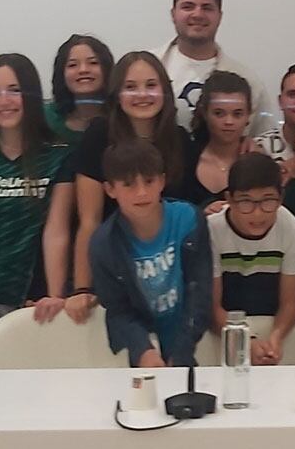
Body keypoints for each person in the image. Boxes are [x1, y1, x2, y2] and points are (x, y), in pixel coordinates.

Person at [0, 52, 76, 329]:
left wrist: (54, 296)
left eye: (14, 90)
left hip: (28, 304)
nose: (4, 101)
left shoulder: (58, 156)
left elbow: (56, 232)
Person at [71, 51, 198, 305]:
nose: (142, 95)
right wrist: (82, 288)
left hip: (170, 279)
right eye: (130, 87)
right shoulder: (98, 136)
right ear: (117, 95)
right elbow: (89, 221)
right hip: (112, 271)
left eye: (151, 85)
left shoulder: (180, 139)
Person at [87, 139, 212, 368]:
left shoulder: (189, 220)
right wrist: (142, 349)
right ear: (110, 189)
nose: (142, 192)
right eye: (128, 184)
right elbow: (118, 309)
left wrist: (182, 348)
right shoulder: (103, 244)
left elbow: (201, 290)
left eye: (149, 181)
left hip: (188, 340)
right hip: (141, 352)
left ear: (162, 181)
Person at [208, 153, 295, 364]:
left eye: (268, 201)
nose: (257, 214)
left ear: (280, 198)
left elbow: (290, 303)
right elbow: (212, 307)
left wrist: (276, 338)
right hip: (225, 330)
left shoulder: (289, 227)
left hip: (270, 323)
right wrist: (246, 342)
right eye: (246, 202)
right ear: (229, 199)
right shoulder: (212, 230)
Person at [158, 0, 275, 140]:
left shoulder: (247, 80)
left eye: (207, 8)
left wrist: (255, 146)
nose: (197, 14)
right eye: (188, 7)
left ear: (219, 16)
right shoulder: (149, 70)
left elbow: (266, 136)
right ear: (173, 14)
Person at [186, 70, 254, 205]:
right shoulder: (184, 159)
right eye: (219, 113)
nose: (229, 121)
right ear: (205, 113)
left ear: (248, 115)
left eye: (237, 114)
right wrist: (200, 214)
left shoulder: (258, 163)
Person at [45, 34, 113, 148]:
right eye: (72, 65)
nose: (83, 70)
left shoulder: (122, 119)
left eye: (93, 63)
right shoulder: (46, 118)